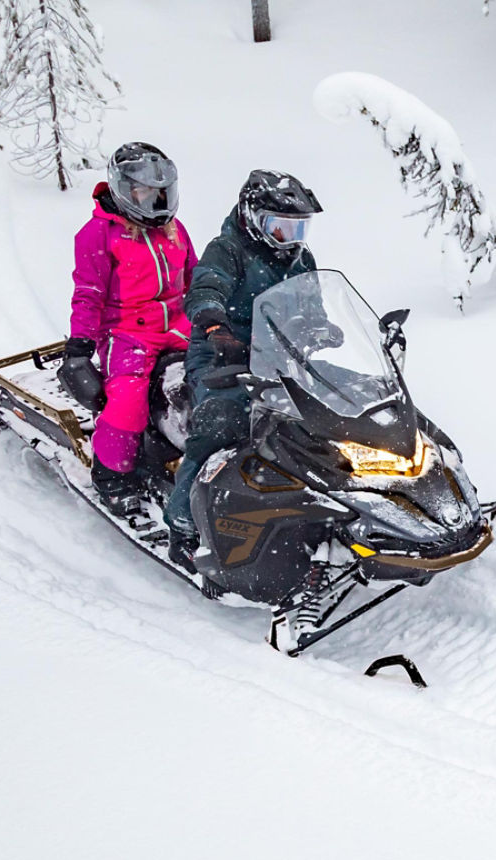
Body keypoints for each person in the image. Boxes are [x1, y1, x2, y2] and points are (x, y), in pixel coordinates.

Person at [164, 169, 323, 570]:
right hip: (222, 352)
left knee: (326, 414)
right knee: (222, 422)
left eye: (298, 228)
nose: (291, 238)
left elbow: (314, 305)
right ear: (254, 219)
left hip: (280, 354)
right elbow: (206, 287)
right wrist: (214, 324)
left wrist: (323, 329)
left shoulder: (301, 259)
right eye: (281, 227)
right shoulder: (228, 249)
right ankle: (183, 522)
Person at [57, 142, 198, 516]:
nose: (155, 200)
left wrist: (218, 316)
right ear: (124, 190)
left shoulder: (174, 229)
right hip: (128, 334)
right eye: (145, 192)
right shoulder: (99, 234)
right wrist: (79, 346)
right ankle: (113, 476)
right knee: (128, 400)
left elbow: (196, 279)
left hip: (180, 326)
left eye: (161, 193)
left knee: (220, 381)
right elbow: (88, 293)